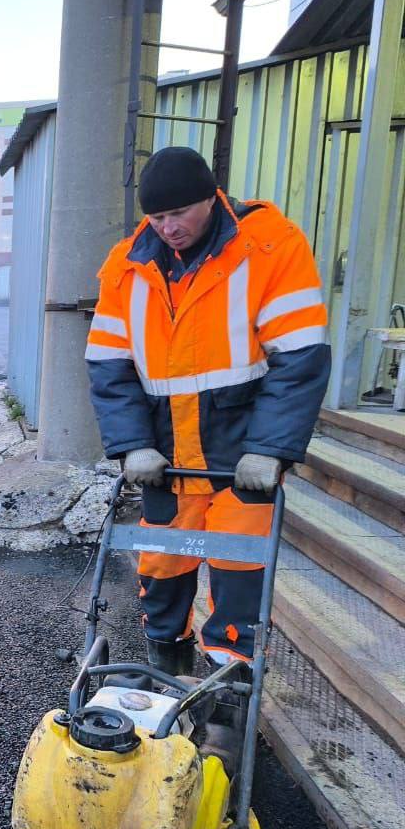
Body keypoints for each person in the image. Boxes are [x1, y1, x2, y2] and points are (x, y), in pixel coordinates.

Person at [85, 146, 330, 676]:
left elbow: (300, 358)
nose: (169, 228)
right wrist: (131, 444)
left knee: (238, 583)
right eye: (157, 217)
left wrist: (269, 450)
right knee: (162, 573)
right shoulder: (126, 268)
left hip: (240, 459)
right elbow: (110, 365)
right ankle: (168, 677)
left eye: (181, 214)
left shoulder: (268, 249)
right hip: (167, 460)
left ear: (211, 198)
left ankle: (226, 709)